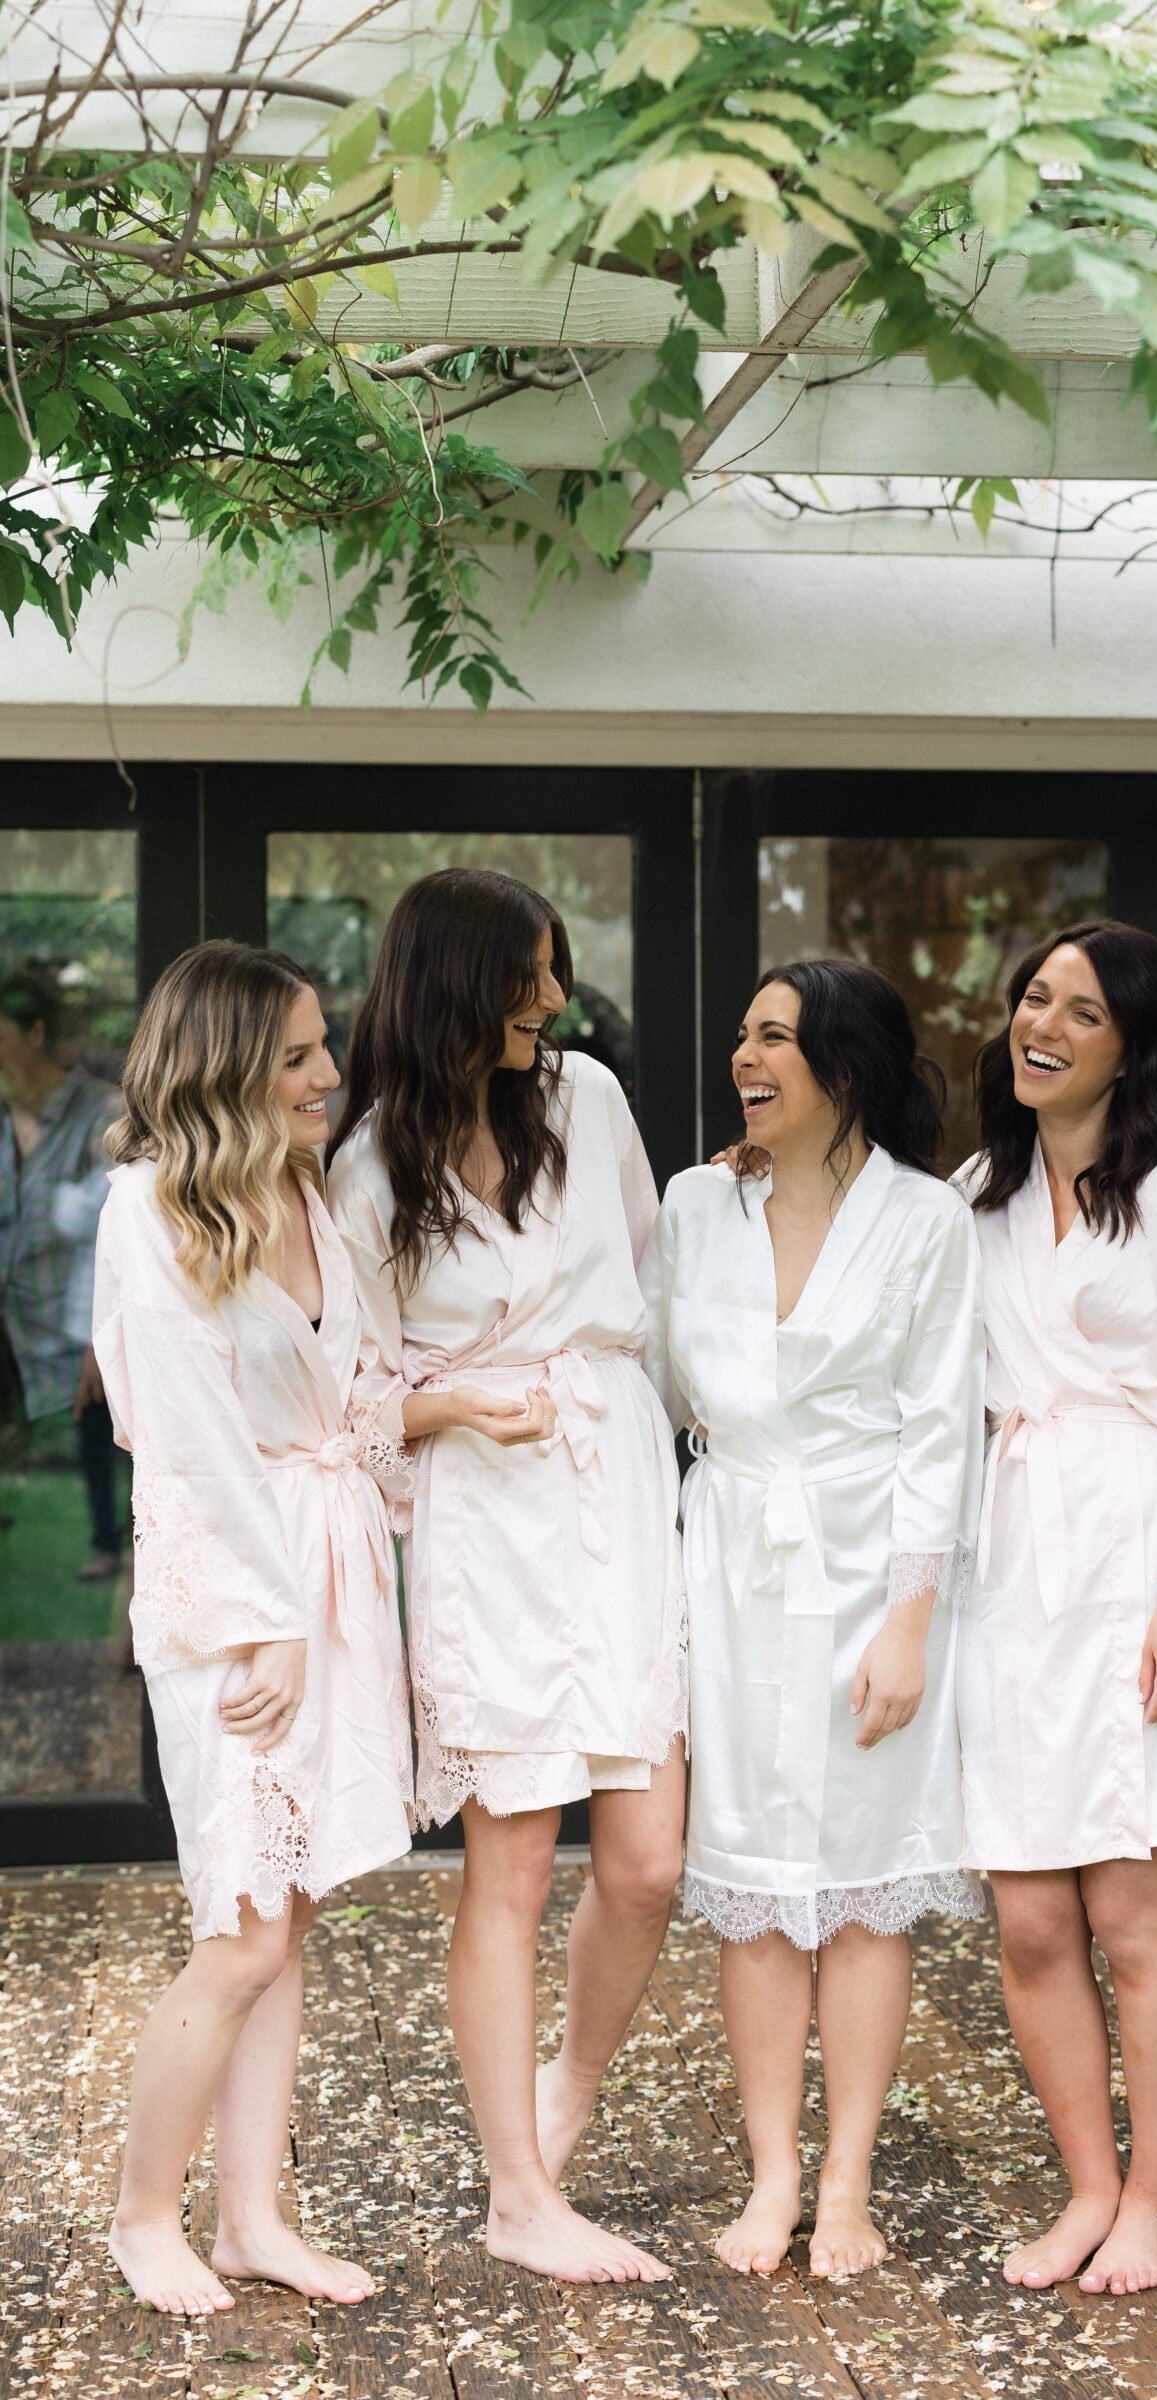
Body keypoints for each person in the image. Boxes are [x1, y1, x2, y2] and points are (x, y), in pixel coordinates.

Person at [326, 869, 686, 2288]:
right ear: (456, 985)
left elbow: (655, 1288)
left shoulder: (589, 1101)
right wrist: (458, 1406)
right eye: (527, 974)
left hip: (615, 1486)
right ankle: (520, 2193)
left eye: (555, 970)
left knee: (648, 1861)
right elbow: (348, 1399)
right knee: (515, 1864)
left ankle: (561, 2095)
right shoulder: (368, 1170)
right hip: (484, 1522)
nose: (552, 998)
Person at [956, 921, 1157, 2297]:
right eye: (1035, 999)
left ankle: (1152, 2199)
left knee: (1136, 1916)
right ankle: (1087, 2186)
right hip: (1015, 1567)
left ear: (1133, 1045)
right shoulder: (978, 1188)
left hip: (1151, 1556)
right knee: (1032, 1919)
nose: (1043, 1026)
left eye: (1080, 1012)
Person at [642, 959, 984, 2282]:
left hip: (868, 1566)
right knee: (750, 1885)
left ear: (843, 1067)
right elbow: (662, 1387)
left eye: (773, 1036)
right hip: (732, 1562)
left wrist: (908, 1622)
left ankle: (847, 2183)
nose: (743, 1055)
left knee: (861, 1888)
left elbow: (940, 1432)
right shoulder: (696, 1204)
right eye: (741, 1034)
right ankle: (772, 2175)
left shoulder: (926, 1221)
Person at [93, 941, 413, 2317]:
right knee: (240, 1926)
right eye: (295, 1056)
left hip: (321, 1577)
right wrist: (266, 1619)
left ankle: (252, 2218)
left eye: (323, 1044)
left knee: (287, 1918)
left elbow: (363, 1385)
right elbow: (183, 1439)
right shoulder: (149, 1208)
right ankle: (141, 2216)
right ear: (223, 1070)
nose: (329, 1073)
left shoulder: (305, 1192)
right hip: (234, 1598)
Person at [0, 970, 123, 1579]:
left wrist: (99, 1333)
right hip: (12, 1321)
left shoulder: (101, 1110)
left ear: (36, 1032)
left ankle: (108, 1548)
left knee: (95, 1437)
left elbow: (111, 1227)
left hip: (74, 1321)